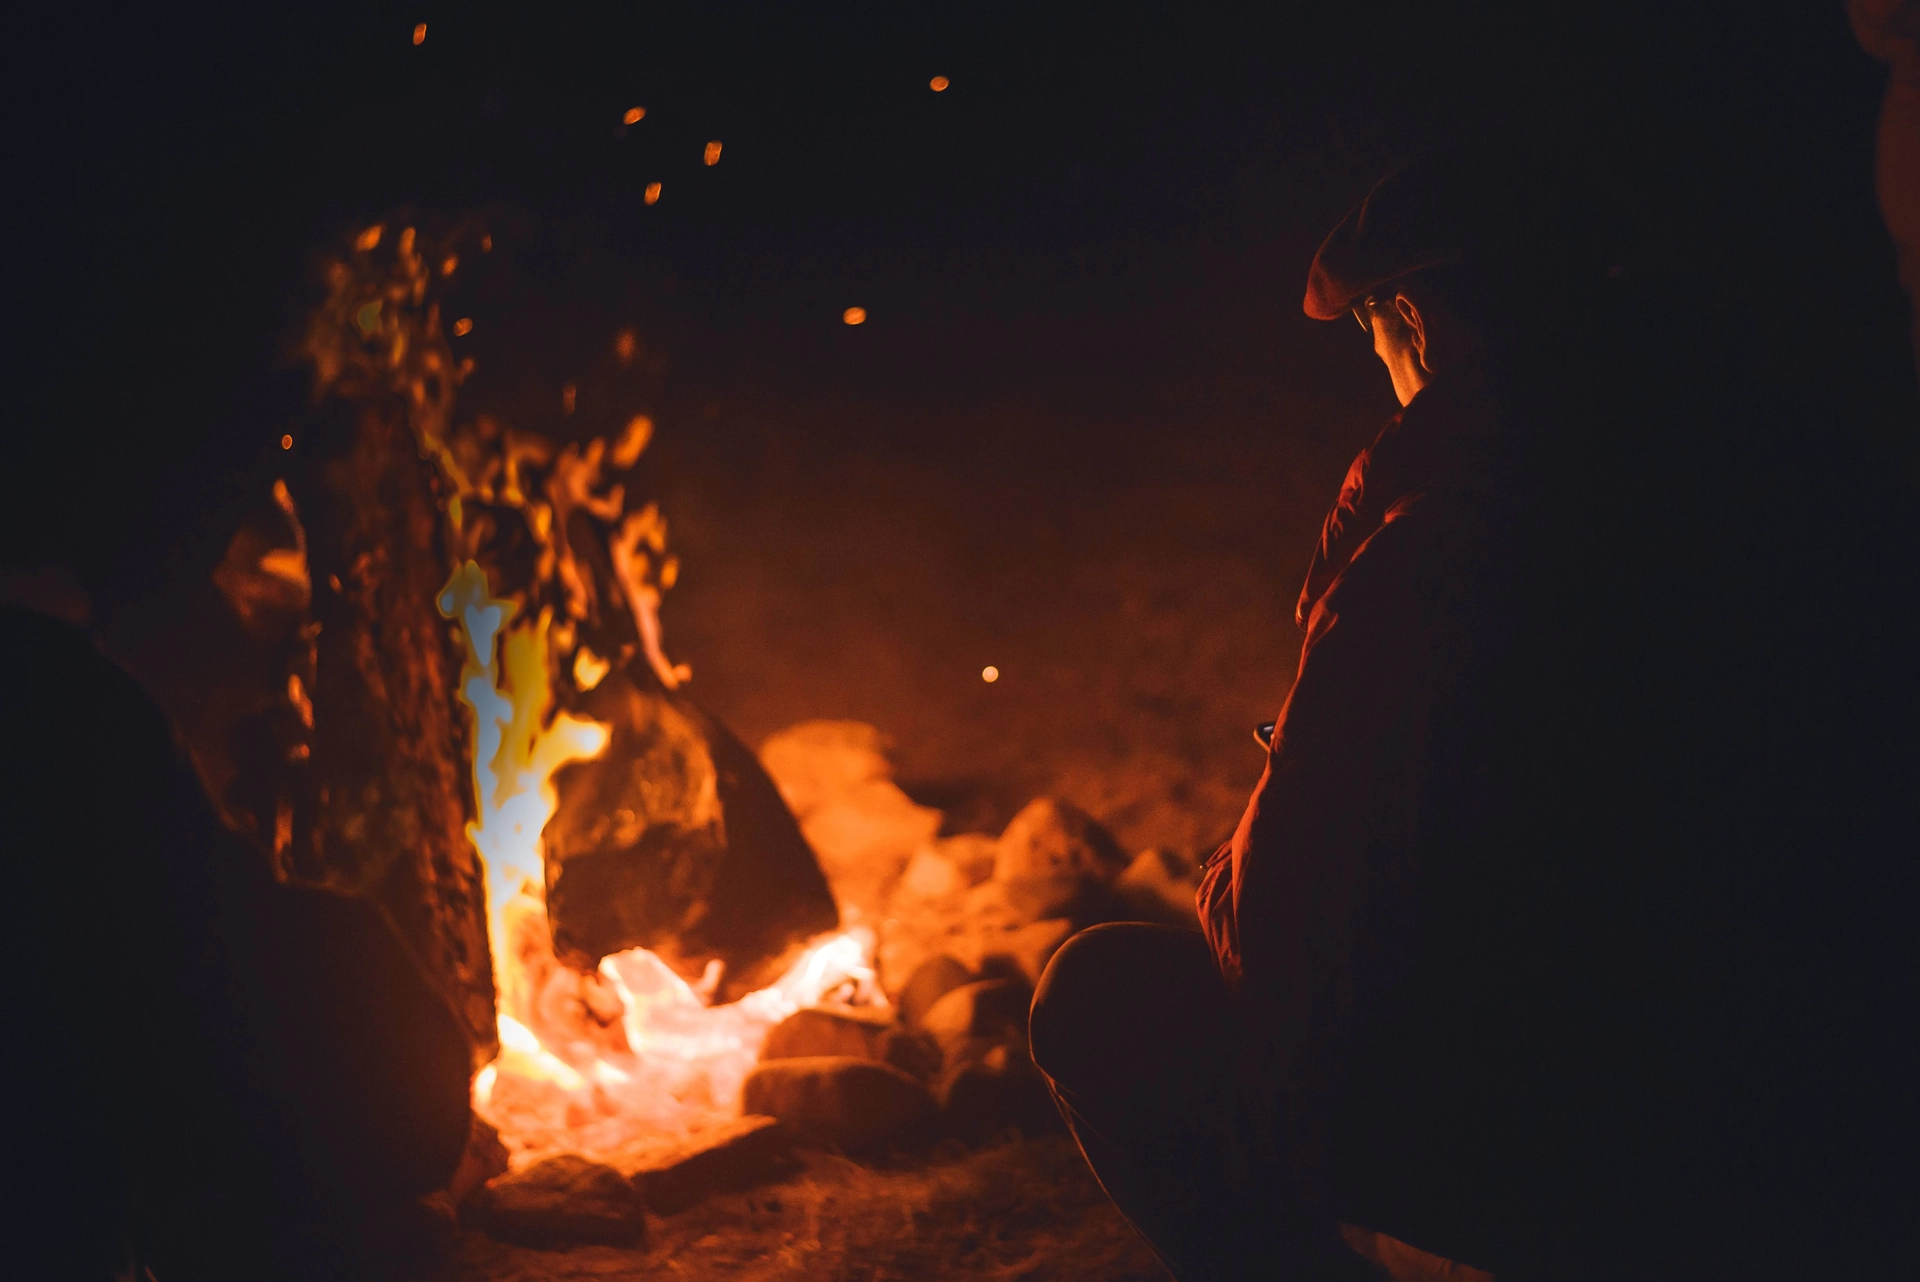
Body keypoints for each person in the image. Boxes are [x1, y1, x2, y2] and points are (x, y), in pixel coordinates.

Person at [1029, 151, 1918, 1281]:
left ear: (1411, 316)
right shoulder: (1795, 461)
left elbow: (1277, 938)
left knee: (1102, 994)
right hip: (1838, 1109)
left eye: (1371, 336)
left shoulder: (1445, 534)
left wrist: (1228, 864)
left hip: (1598, 1142)